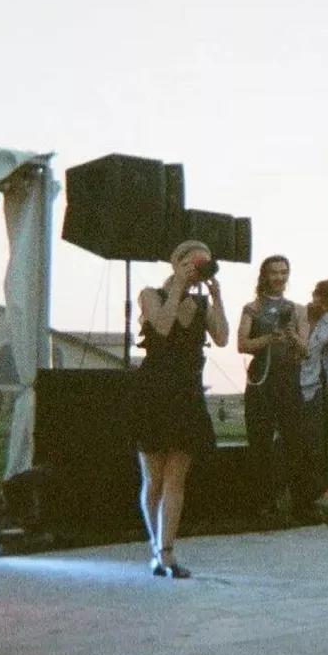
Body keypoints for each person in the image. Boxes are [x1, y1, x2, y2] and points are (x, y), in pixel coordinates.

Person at [133, 240, 229, 577]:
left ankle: (167, 553)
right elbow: (161, 327)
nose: (198, 268)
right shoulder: (150, 295)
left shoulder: (201, 303)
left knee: (175, 478)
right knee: (154, 479)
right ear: (177, 262)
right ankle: (155, 545)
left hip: (188, 392)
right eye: (193, 262)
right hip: (155, 391)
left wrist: (217, 298)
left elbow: (222, 338)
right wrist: (178, 285)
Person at [238, 256, 308, 521]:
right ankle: (264, 503)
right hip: (262, 378)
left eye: (283, 272)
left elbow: (305, 349)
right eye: (274, 273)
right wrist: (269, 337)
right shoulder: (252, 308)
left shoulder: (297, 309)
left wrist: (290, 333)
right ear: (264, 276)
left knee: (295, 440)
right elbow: (242, 344)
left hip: (288, 377)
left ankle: (301, 502)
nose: (279, 277)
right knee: (260, 441)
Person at [299, 278, 328, 503]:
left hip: (313, 385)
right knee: (290, 441)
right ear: (314, 295)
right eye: (322, 300)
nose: (324, 307)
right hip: (289, 384)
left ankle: (316, 495)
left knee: (314, 443)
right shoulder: (297, 314)